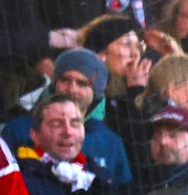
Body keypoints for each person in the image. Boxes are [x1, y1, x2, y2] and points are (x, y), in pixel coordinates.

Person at [2, 47, 132, 185]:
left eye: (82, 83)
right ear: (54, 84)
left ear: (96, 93)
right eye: (65, 80)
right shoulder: (18, 130)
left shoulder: (109, 142)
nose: (72, 89)